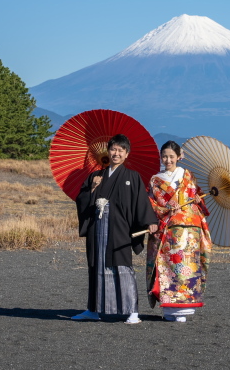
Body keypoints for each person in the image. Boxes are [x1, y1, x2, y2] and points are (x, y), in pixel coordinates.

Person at [72, 134, 158, 324]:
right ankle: (93, 309)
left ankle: (132, 311)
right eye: (113, 149)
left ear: (127, 154)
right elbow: (81, 201)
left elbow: (140, 203)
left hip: (119, 228)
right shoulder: (96, 176)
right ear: (108, 151)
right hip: (97, 228)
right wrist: (91, 190)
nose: (116, 153)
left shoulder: (132, 177)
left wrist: (149, 221)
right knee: (96, 266)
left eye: (121, 150)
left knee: (122, 266)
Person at [146, 140, 212, 322]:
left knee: (188, 268)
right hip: (168, 230)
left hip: (190, 231)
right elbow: (152, 204)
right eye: (165, 156)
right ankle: (169, 309)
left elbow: (195, 196)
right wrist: (166, 209)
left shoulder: (187, 175)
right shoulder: (156, 180)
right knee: (168, 268)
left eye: (171, 156)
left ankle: (186, 307)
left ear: (178, 157)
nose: (168, 160)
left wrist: (197, 198)